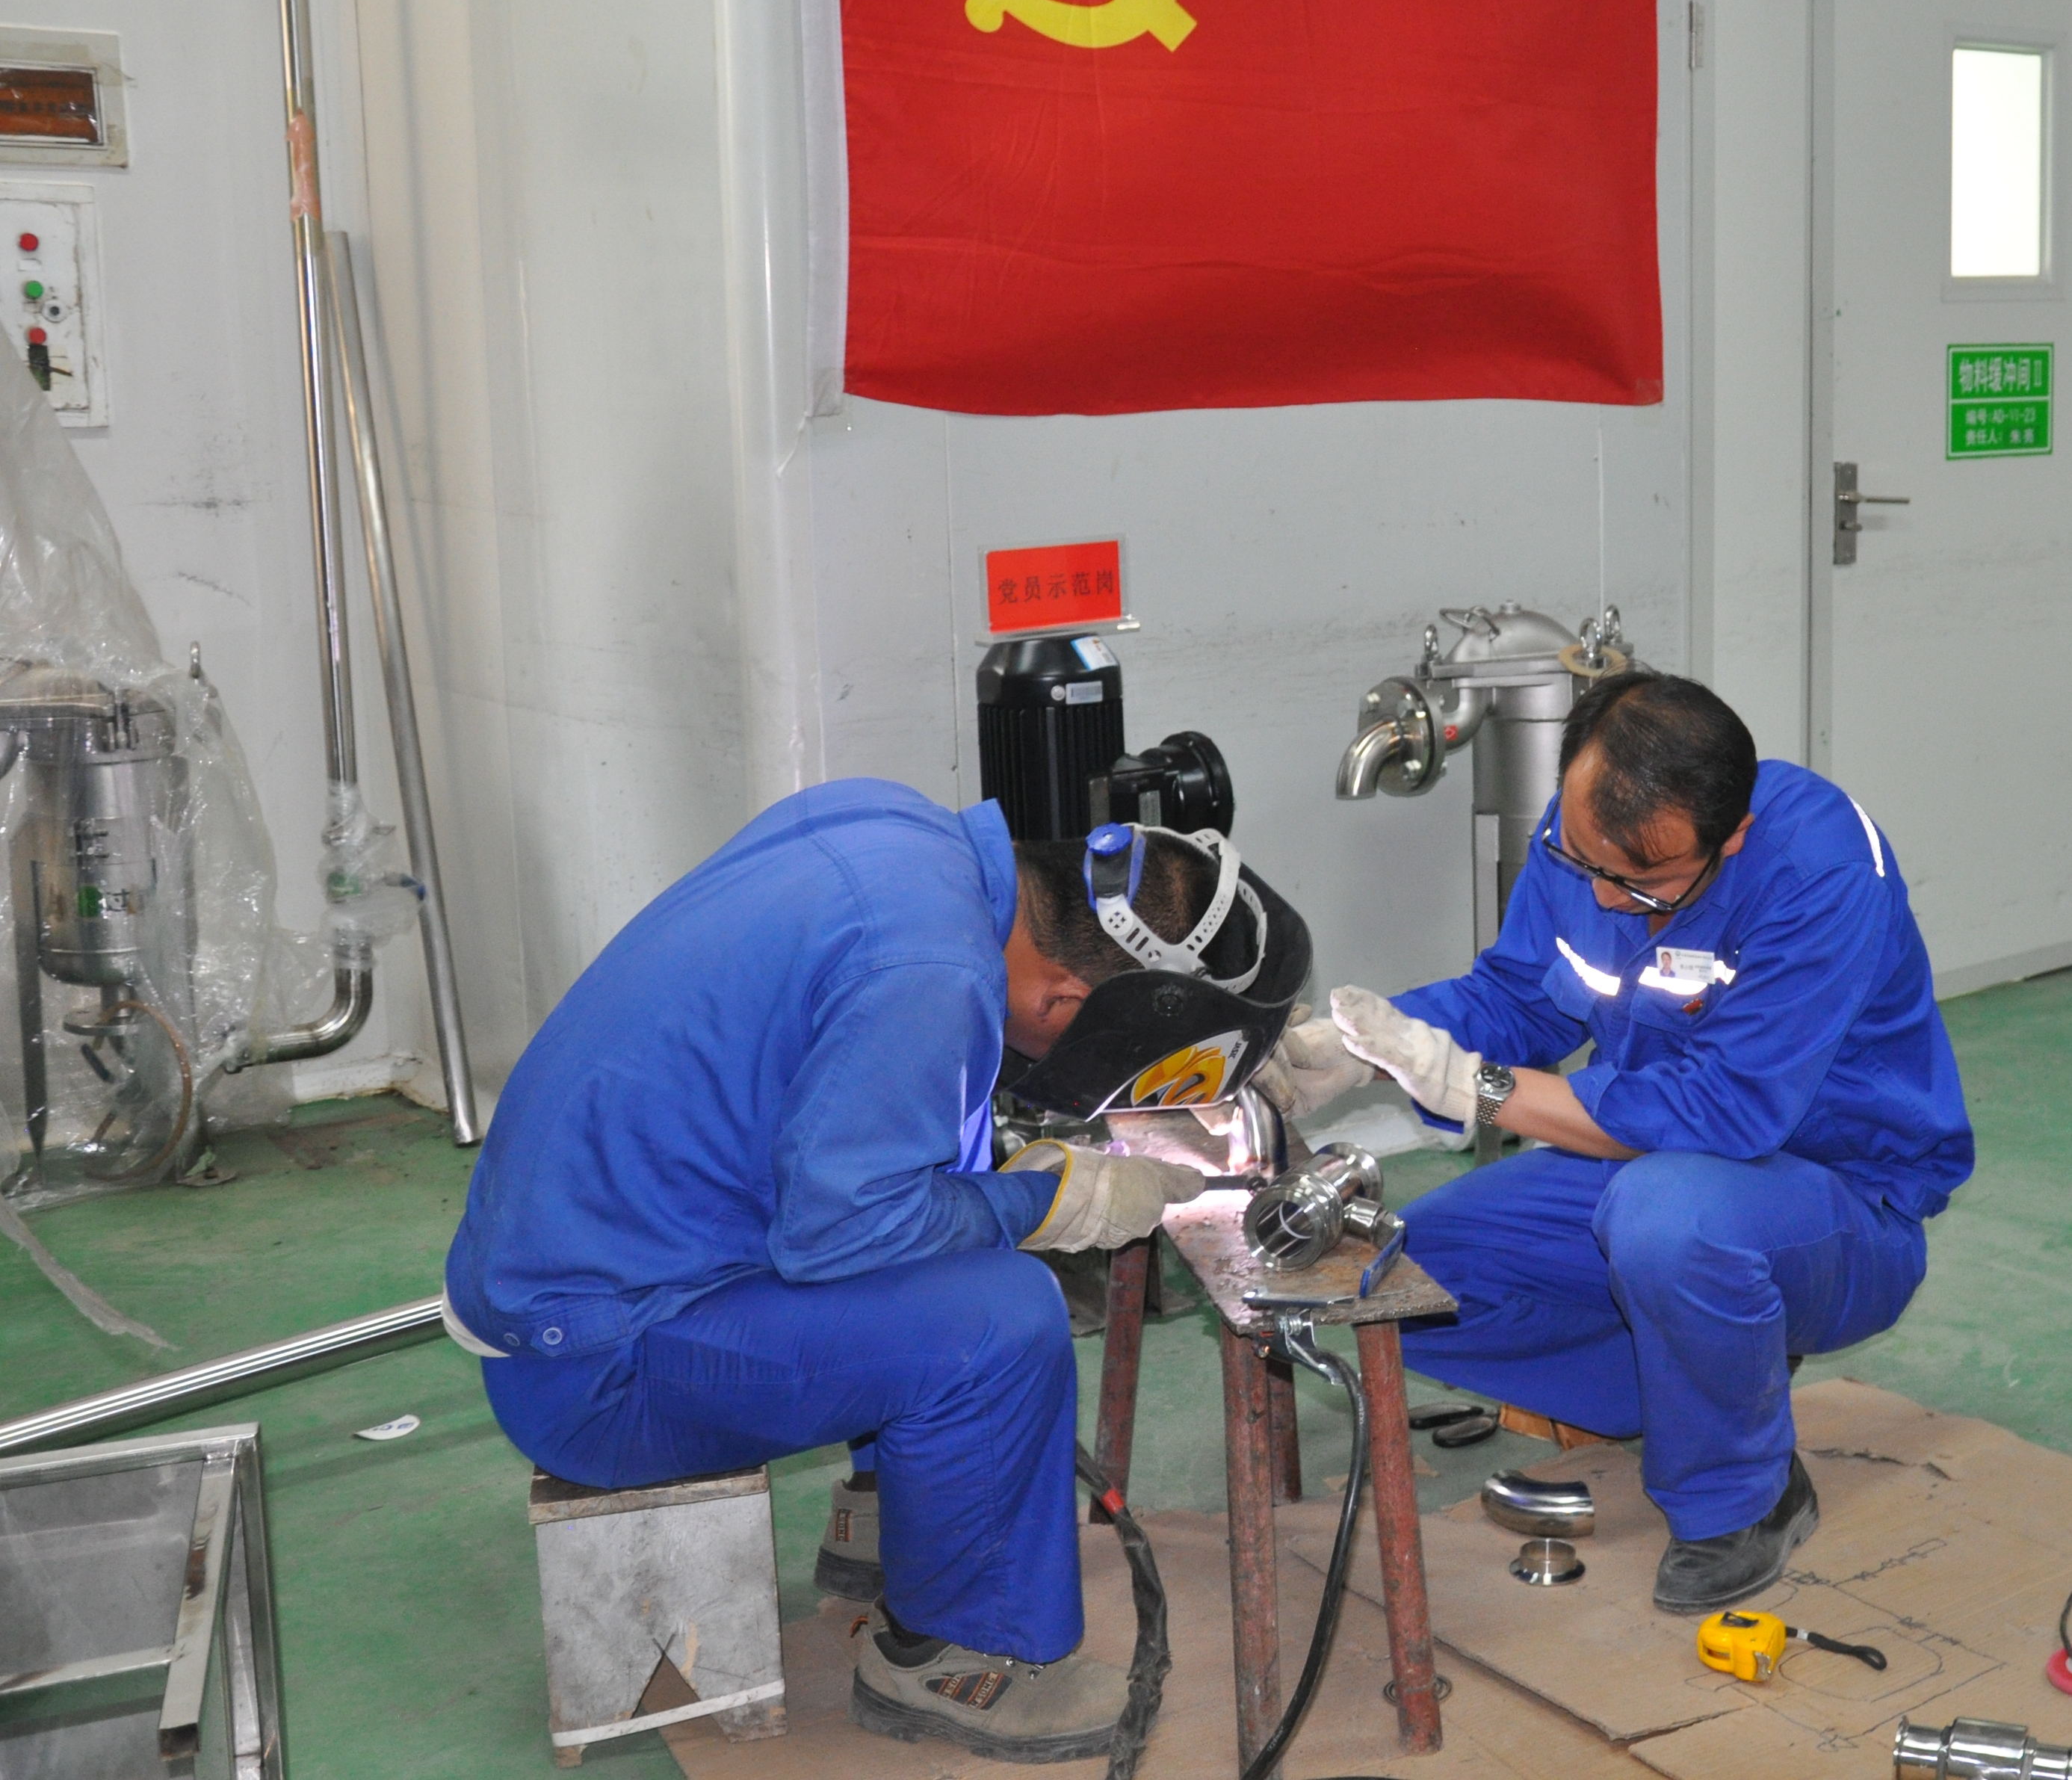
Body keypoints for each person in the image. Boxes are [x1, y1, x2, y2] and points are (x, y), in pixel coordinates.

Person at [442, 778, 1219, 1762]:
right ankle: (958, 1654)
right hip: (594, 1372)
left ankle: (885, 1521)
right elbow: (843, 1233)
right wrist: (1047, 1203)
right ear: (1063, 996)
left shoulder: (899, 834)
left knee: (941, 1201)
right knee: (1003, 1319)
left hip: (588, 1271)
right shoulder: (933, 969)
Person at [1265, 673, 1973, 1613]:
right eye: (1585, 859)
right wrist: (1365, 1050)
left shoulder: (1821, 873)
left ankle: (1743, 1498)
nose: (1601, 893)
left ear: (1732, 837)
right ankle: (1697, 1381)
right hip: (1650, 1161)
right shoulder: (1582, 834)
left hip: (1839, 1200)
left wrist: (1474, 1088)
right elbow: (1520, 996)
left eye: (1642, 881)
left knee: (1670, 1222)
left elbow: (1724, 1110)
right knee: (1399, 1277)